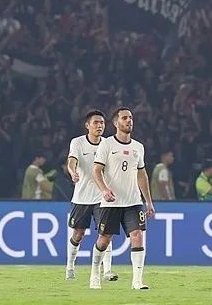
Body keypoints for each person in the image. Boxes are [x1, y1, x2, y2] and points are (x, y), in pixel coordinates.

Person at [90, 107, 155, 290]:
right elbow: (96, 171)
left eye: (131, 118)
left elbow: (142, 175)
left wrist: (148, 201)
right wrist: (104, 190)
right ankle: (95, 274)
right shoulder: (107, 145)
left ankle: (137, 281)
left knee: (137, 236)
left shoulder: (138, 147)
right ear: (116, 123)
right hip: (111, 202)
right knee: (104, 240)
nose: (129, 121)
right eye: (125, 118)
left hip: (133, 202)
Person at [65, 110, 118, 282]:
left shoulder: (108, 144)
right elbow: (71, 161)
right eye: (96, 122)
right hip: (82, 197)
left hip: (102, 197)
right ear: (87, 125)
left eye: (102, 122)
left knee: (106, 233)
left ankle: (107, 270)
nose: (100, 125)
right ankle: (70, 266)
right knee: (78, 233)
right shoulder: (78, 142)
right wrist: (73, 172)